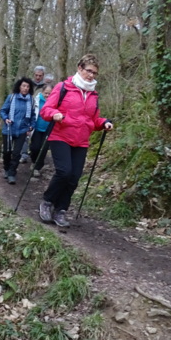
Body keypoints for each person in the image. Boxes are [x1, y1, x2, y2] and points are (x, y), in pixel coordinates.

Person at [38, 54, 113, 228]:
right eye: (89, 71)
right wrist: (54, 114)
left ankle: (61, 210)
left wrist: (104, 123)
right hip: (60, 135)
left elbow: (92, 120)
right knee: (64, 172)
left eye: (94, 73)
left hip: (81, 140)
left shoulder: (93, 95)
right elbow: (46, 110)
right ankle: (47, 202)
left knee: (74, 177)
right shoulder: (63, 87)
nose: (91, 75)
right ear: (80, 68)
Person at [0, 77, 36, 184]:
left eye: (28, 86)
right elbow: (3, 111)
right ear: (19, 86)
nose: (25, 88)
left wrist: (31, 126)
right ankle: (6, 168)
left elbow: (33, 116)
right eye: (23, 86)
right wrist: (6, 118)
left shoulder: (31, 100)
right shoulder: (11, 97)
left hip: (22, 130)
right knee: (7, 152)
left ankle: (12, 173)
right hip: (9, 129)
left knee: (16, 153)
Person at [20, 65, 46, 163]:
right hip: (26, 111)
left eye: (40, 75)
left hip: (38, 113)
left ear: (43, 75)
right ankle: (24, 154)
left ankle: (34, 153)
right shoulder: (28, 85)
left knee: (34, 134)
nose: (38, 77)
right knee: (25, 133)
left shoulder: (45, 87)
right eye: (36, 75)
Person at [29, 82, 53, 177]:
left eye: (49, 93)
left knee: (44, 149)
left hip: (48, 129)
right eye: (46, 93)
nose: (47, 95)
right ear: (42, 92)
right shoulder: (36, 100)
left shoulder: (54, 102)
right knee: (35, 147)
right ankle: (33, 161)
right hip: (37, 128)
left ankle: (37, 167)